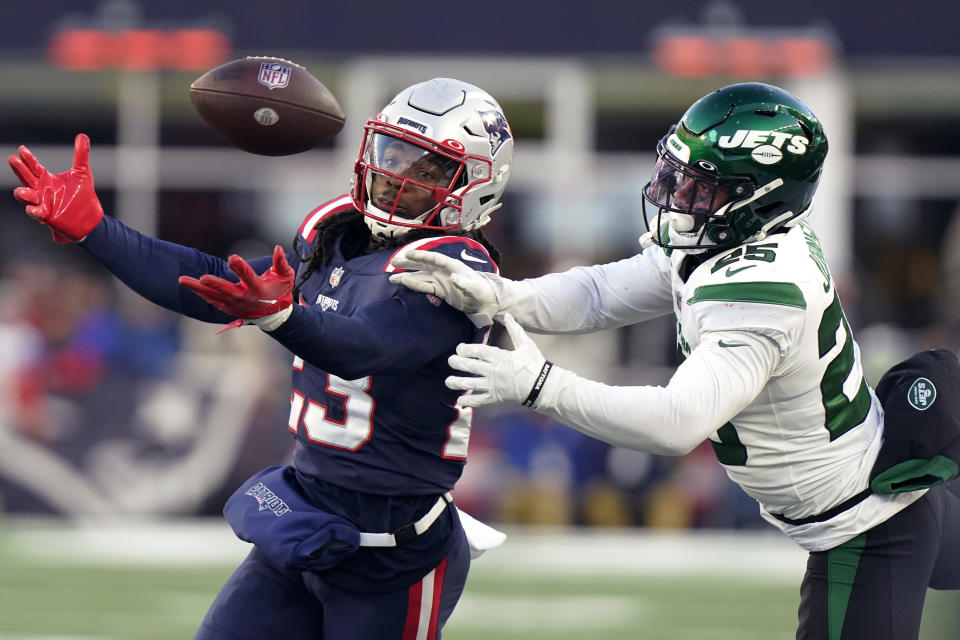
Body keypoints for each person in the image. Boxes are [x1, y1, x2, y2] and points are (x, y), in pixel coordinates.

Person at [389, 82, 960, 639]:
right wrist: (502, 295)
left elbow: (677, 423)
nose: (678, 196)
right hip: (871, 505)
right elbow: (600, 293)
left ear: (761, 196)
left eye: (701, 186)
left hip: (866, 527)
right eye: (678, 174)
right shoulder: (733, 234)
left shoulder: (762, 288)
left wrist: (539, 385)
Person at [8, 77, 514, 640]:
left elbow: (364, 348)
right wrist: (95, 231)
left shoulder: (459, 269)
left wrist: (279, 316)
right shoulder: (335, 235)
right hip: (305, 521)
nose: (398, 176)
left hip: (393, 556)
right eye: (394, 154)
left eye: (427, 170)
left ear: (474, 186)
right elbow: (213, 284)